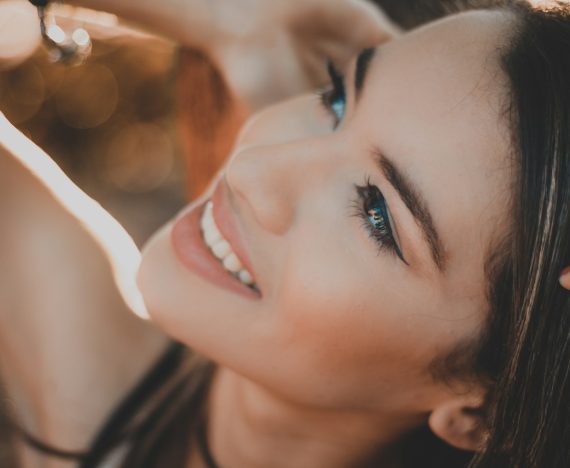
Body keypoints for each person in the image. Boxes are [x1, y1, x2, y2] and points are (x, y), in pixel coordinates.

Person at [1, 1, 570, 468]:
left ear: (480, 414)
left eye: (376, 213)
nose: (251, 170)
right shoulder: (79, 360)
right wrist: (223, 16)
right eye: (337, 99)